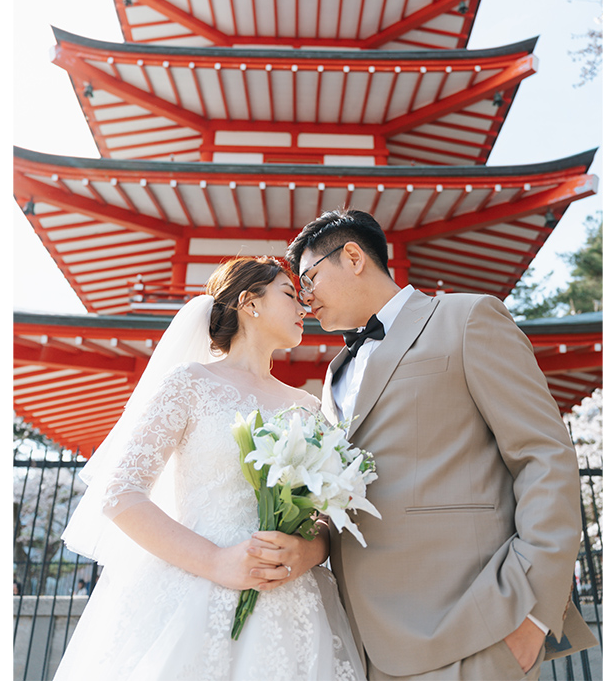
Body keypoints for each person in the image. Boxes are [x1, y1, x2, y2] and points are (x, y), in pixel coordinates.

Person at [286, 209, 595, 680]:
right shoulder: (334, 374)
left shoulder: (467, 318)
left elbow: (543, 457)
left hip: (474, 628)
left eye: (309, 278)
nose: (304, 300)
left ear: (352, 257)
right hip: (364, 643)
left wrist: (532, 612)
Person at [54, 256, 363, 680]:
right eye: (290, 294)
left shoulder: (308, 407)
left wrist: (306, 552)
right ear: (249, 303)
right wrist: (218, 561)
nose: (304, 307)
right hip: (193, 589)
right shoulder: (189, 383)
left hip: (292, 599)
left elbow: (326, 518)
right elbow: (119, 493)